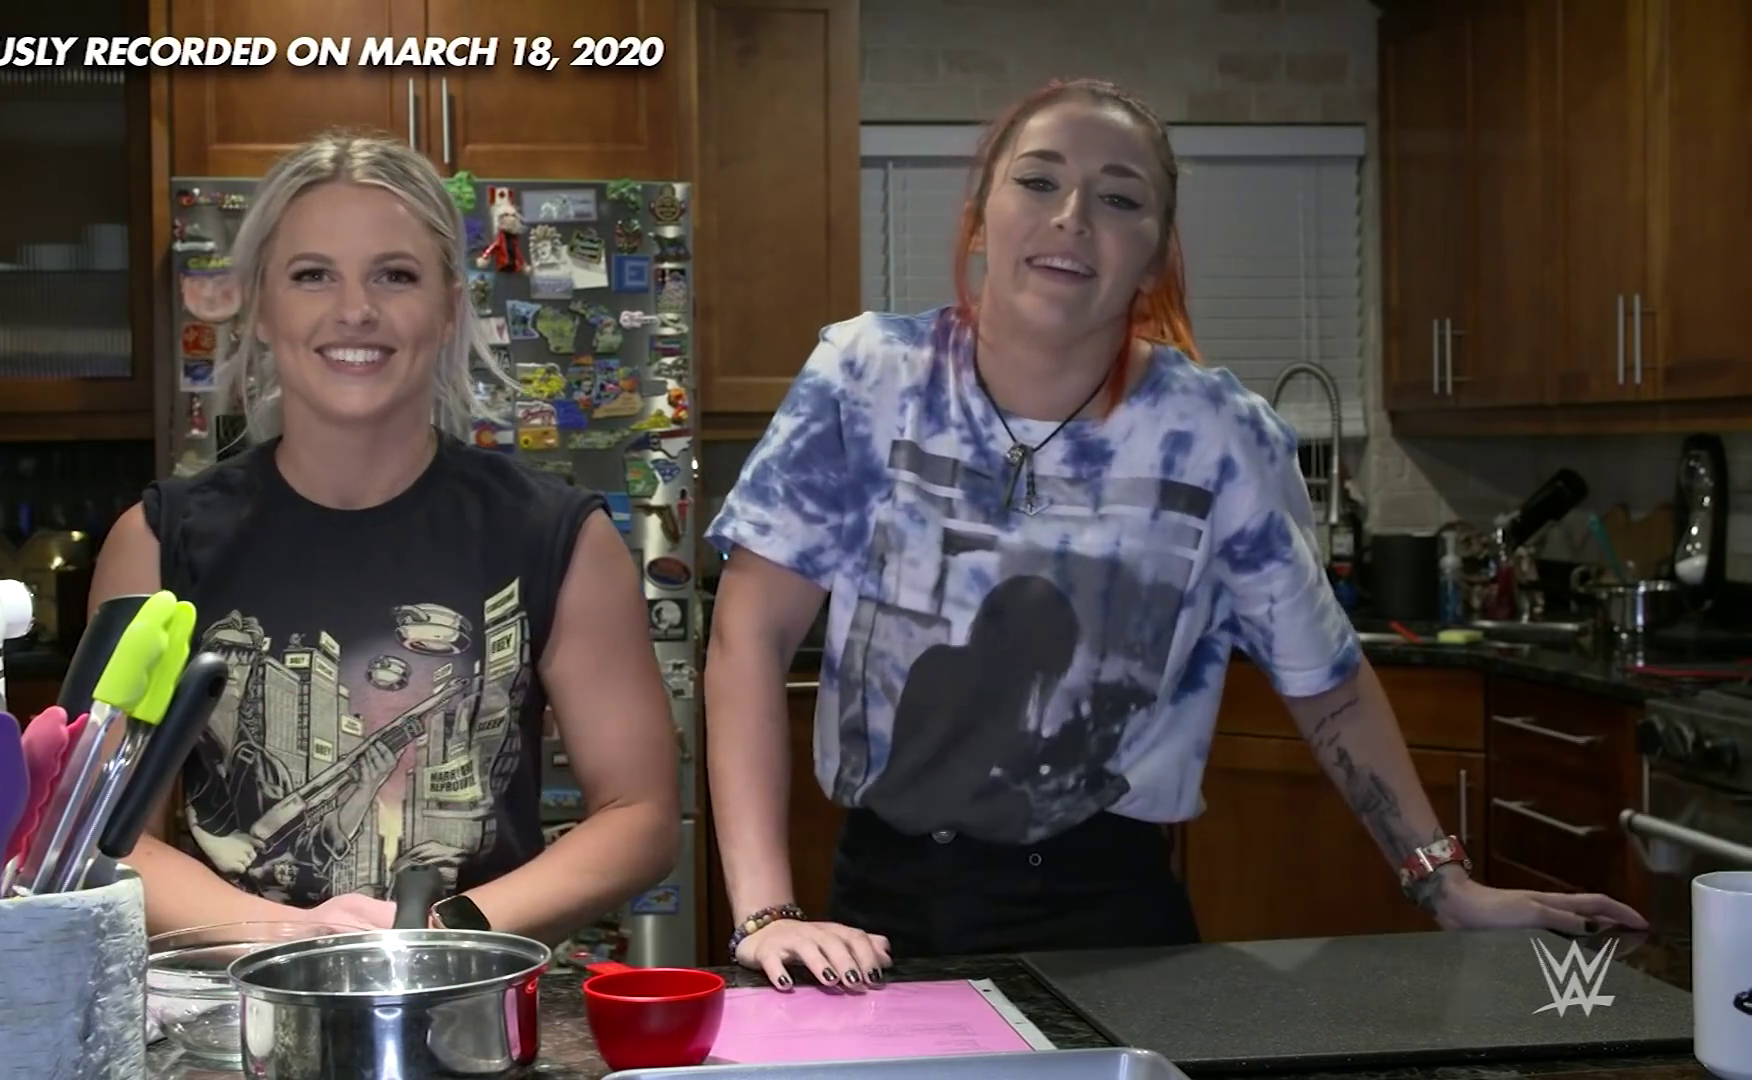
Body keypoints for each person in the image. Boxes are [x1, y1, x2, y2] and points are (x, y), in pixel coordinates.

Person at [702, 78, 1647, 992]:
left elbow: (1326, 681)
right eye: (1038, 180)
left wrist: (1446, 883)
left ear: (1154, 258)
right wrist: (766, 914)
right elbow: (750, 634)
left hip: (1108, 919)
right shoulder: (867, 376)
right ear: (979, 218)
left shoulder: (1217, 435)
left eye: (1120, 199)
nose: (1073, 216)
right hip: (881, 916)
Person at [89, 131, 680, 938]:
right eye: (312, 275)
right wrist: (292, 938)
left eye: (395, 275)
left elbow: (639, 815)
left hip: (469, 994)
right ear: (259, 308)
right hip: (231, 998)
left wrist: (443, 934)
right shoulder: (157, 543)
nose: (355, 310)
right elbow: (107, 834)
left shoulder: (558, 538)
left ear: (449, 308)